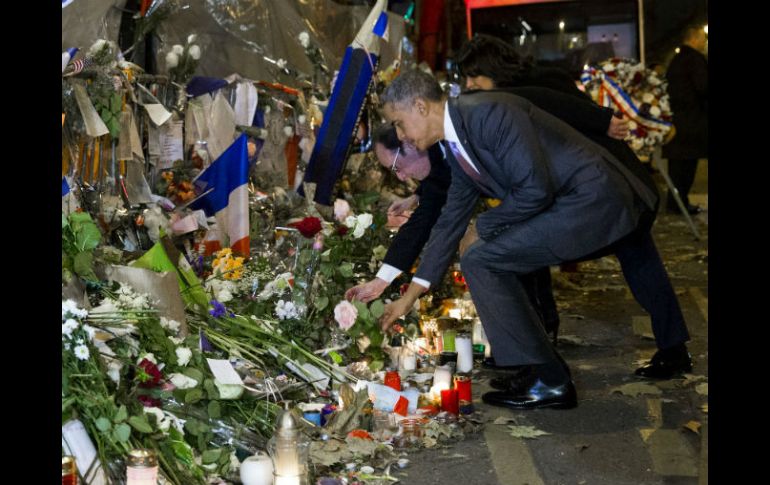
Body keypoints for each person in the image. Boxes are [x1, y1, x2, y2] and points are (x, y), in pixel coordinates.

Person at [377, 69, 661, 409]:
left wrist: (481, 226)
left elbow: (534, 189)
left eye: (398, 123)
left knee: (481, 258)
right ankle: (537, 368)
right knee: (481, 257)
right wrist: (409, 296)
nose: (400, 134)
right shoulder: (456, 139)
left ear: (420, 107)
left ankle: (550, 379)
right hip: (569, 202)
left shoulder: (488, 113)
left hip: (592, 200)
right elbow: (451, 219)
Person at [455, 34, 694, 382]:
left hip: (614, 188)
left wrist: (602, 118)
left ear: (494, 69)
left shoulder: (531, 88)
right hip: (597, 193)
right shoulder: (512, 97)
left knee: (638, 262)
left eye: (474, 76)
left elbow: (555, 101)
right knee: (634, 261)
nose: (469, 86)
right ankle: (546, 340)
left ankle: (671, 350)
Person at [662, 22, 708, 214]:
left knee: (677, 166)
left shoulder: (676, 59)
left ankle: (676, 202)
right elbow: (703, 87)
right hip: (692, 121)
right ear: (694, 39)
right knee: (687, 166)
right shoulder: (695, 60)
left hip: (676, 122)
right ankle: (680, 203)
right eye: (703, 38)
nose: (705, 42)